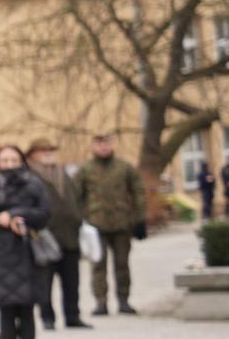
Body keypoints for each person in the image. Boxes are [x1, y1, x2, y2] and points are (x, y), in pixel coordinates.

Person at [0, 145, 51, 339]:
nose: (9, 164)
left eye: (14, 160)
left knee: (27, 310)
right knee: (5, 311)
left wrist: (17, 214)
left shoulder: (34, 184)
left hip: (28, 253)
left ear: (22, 161)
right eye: (5, 160)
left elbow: (44, 213)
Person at [77, 132, 145, 315]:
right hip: (95, 225)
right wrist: (80, 221)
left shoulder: (124, 167)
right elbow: (76, 196)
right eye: (99, 143)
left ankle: (123, 300)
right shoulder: (85, 169)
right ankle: (101, 302)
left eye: (106, 143)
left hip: (121, 223)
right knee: (98, 265)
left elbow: (138, 192)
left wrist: (139, 219)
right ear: (93, 146)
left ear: (112, 145)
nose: (103, 147)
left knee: (122, 265)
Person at [27, 139, 91, 329]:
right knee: (45, 280)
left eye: (51, 150)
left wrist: (79, 217)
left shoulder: (63, 172)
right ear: (33, 154)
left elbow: (78, 197)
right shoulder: (30, 175)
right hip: (45, 236)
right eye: (43, 150)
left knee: (72, 280)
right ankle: (47, 317)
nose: (49, 153)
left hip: (70, 234)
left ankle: (73, 315)